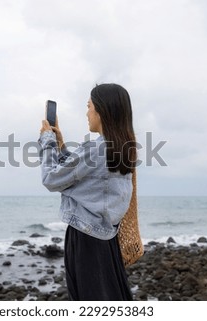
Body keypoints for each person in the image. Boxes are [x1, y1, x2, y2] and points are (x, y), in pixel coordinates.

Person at [38, 83, 136, 301]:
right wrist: (61, 148)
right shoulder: (123, 147)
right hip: (106, 238)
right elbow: (86, 178)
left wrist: (47, 141)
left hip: (85, 238)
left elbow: (52, 179)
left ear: (102, 111)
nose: (87, 112)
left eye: (89, 106)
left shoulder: (95, 149)